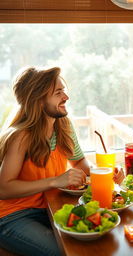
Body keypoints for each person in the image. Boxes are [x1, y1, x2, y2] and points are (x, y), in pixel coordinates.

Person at [0, 67, 124, 256]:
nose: (66, 97)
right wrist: (54, 181)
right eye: (58, 93)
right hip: (13, 216)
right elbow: (4, 188)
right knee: (66, 253)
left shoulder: (63, 124)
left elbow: (81, 164)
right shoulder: (21, 136)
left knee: (105, 237)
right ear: (38, 100)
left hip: (49, 209)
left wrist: (104, 173)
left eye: (63, 90)